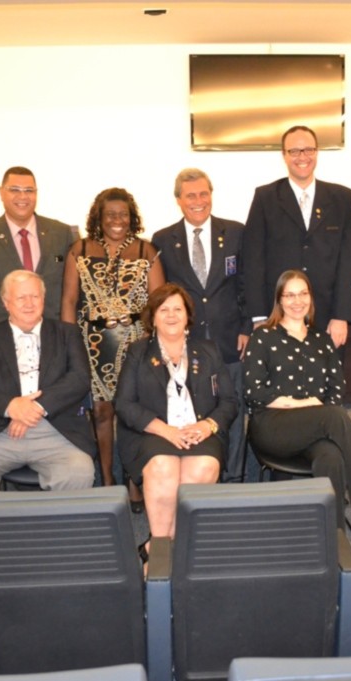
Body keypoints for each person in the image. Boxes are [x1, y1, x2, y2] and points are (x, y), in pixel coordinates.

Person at [0, 270, 96, 520]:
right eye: (21, 298)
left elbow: (80, 379)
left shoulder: (67, 333)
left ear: (44, 299)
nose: (29, 303)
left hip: (56, 428)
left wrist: (35, 407)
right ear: (5, 302)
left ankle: (61, 535)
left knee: (79, 471)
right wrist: (11, 406)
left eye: (35, 296)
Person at [243, 270, 351, 529]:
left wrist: (317, 410)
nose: (297, 301)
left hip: (316, 427)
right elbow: (254, 392)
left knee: (331, 456)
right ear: (279, 300)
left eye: (303, 294)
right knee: (332, 415)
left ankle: (333, 534)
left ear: (311, 298)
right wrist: (304, 404)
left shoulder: (322, 340)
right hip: (273, 426)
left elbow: (336, 390)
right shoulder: (263, 336)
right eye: (290, 295)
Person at [114, 284, 236, 555]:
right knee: (162, 468)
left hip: (199, 431)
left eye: (178, 309)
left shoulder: (208, 350)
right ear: (153, 317)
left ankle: (165, 549)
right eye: (164, 309)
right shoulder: (138, 352)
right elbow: (123, 404)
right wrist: (165, 430)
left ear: (188, 315)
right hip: (153, 433)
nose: (171, 315)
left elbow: (229, 401)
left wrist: (207, 425)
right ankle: (163, 547)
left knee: (202, 467)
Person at [60, 187, 164, 501]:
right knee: (101, 413)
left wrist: (151, 346)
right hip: (92, 345)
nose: (117, 220)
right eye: (110, 214)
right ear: (99, 217)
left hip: (136, 343)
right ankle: (107, 479)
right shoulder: (79, 249)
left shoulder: (147, 251)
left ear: (132, 218)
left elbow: (158, 303)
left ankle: (134, 480)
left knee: (132, 412)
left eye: (123, 214)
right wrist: (69, 346)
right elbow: (69, 301)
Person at [152, 168, 250, 482]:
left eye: (204, 193)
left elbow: (247, 284)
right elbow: (163, 295)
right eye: (191, 195)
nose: (198, 201)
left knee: (233, 410)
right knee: (193, 408)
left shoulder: (235, 232)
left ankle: (233, 479)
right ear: (178, 200)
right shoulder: (163, 239)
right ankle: (199, 477)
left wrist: (247, 328)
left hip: (230, 340)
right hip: (186, 344)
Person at [243, 125, 351, 348]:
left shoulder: (342, 198)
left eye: (308, 150)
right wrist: (259, 317)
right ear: (284, 155)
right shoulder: (265, 197)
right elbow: (253, 260)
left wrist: (341, 315)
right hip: (277, 315)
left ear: (317, 152)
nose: (302, 157)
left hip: (327, 317)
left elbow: (348, 261)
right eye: (294, 151)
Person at [0, 165, 76, 337]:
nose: (22, 196)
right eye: (14, 190)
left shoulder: (61, 233)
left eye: (29, 190)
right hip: (0, 339)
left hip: (53, 337)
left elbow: (73, 294)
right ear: (1, 193)